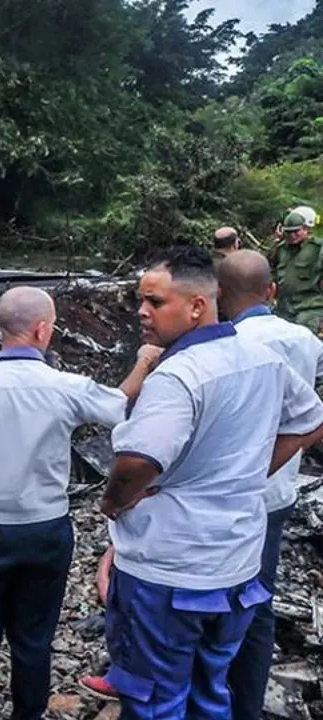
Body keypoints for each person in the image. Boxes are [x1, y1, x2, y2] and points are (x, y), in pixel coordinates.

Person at [97, 245, 323, 719]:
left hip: (170, 573)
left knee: (156, 699)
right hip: (237, 566)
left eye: (155, 302)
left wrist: (114, 502)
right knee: (210, 690)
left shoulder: (178, 376)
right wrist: (250, 468)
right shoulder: (259, 357)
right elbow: (310, 419)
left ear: (197, 305)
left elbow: (136, 462)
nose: (141, 312)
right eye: (141, 300)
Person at [0, 286, 161, 720]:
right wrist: (145, 362)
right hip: (44, 529)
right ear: (43, 330)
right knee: (34, 638)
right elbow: (119, 403)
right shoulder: (63, 387)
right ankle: (29, 713)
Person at [217, 249, 323, 720]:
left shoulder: (224, 343)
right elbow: (312, 412)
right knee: (258, 602)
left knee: (211, 599)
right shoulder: (304, 339)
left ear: (218, 297)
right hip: (278, 490)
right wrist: (285, 456)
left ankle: (207, 696)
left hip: (223, 495)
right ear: (272, 291)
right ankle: (247, 705)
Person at [270, 205, 323, 333]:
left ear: (305, 229)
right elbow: (271, 270)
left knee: (305, 343)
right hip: (284, 308)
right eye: (288, 232)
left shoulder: (318, 249)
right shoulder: (280, 249)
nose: (292, 235)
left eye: (296, 231)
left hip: (309, 307)